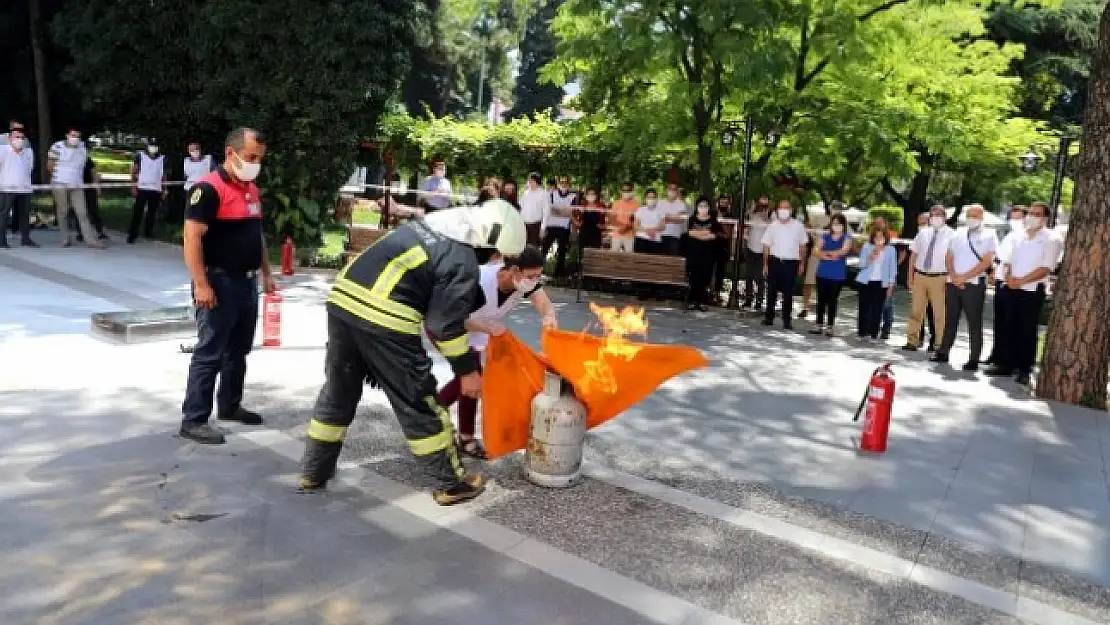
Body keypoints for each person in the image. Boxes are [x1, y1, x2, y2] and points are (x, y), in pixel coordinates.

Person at [299, 199, 527, 505]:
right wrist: (467, 371)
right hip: (385, 319)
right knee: (419, 402)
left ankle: (314, 470)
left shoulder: (432, 228)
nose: (496, 259)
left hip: (343, 304)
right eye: (498, 252)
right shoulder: (461, 258)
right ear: (488, 239)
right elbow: (444, 325)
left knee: (338, 392)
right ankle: (449, 484)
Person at [178, 128, 277, 445]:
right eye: (250, 157)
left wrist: (266, 272)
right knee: (210, 352)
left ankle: (230, 405)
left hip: (247, 284)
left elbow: (256, 234)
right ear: (230, 152)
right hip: (218, 282)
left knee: (238, 350)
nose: (255, 163)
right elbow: (191, 238)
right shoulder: (208, 189)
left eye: (259, 158)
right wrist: (201, 284)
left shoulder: (251, 188)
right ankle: (194, 419)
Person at [436, 246, 557, 458]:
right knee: (471, 378)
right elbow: (456, 318)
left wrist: (549, 317)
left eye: (538, 276)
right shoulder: (480, 280)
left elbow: (542, 302)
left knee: (471, 379)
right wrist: (488, 328)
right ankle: (429, 415)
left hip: (476, 332)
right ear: (514, 271)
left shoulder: (523, 283)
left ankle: (465, 438)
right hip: (446, 326)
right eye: (531, 276)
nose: (534, 281)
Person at [985, 201, 1062, 386]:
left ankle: (1024, 368)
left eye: (1037, 214)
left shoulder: (1052, 238)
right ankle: (1005, 363)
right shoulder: (1019, 236)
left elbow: (1045, 268)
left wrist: (1021, 281)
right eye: (1031, 213)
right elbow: (1008, 259)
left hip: (1031, 290)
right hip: (1011, 287)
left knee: (1026, 330)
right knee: (1007, 326)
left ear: (1045, 218)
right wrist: (1010, 278)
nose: (1032, 217)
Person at [932, 204, 997, 371]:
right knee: (950, 318)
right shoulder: (958, 233)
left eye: (975, 215)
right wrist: (954, 276)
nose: (971, 218)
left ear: (982, 217)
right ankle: (943, 351)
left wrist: (964, 277)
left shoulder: (989, 235)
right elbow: (949, 256)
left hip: (974, 284)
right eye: (969, 215)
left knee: (974, 322)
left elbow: (986, 261)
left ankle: (973, 358)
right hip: (953, 283)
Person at [903, 205, 953, 351]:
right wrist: (909, 277)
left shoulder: (952, 235)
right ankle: (912, 341)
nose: (935, 217)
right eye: (933, 215)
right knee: (916, 311)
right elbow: (913, 256)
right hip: (920, 276)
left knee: (939, 314)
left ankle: (938, 344)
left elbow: (952, 258)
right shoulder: (923, 233)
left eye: (939, 215)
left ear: (945, 217)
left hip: (940, 277)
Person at [985, 205, 1028, 365]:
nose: (1015, 221)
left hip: (1014, 283)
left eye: (1018, 218)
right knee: (999, 321)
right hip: (1001, 280)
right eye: (1012, 217)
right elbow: (1001, 258)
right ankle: (996, 354)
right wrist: (994, 273)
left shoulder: (1025, 237)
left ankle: (1007, 359)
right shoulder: (1010, 235)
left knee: (1011, 323)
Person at [48, 128, 103, 249]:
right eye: (72, 135)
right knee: (63, 211)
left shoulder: (82, 149)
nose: (75, 138)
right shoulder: (57, 146)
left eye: (77, 136)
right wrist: (57, 178)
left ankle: (90, 240)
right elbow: (50, 165)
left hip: (77, 185)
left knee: (82, 212)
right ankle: (64, 239)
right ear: (67, 135)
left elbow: (84, 166)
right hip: (60, 183)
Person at [761, 200, 808, 329]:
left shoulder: (798, 226)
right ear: (777, 210)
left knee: (788, 293)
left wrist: (802, 263)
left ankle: (787, 320)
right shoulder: (773, 226)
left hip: (791, 263)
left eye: (786, 207)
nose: (783, 210)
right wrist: (765, 263)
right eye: (781, 207)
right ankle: (768, 317)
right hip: (775, 261)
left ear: (791, 209)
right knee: (771, 291)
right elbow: (766, 245)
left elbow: (803, 246)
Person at [809, 213, 852, 336]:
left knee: (833, 301)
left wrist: (825, 253)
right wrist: (828, 254)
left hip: (837, 275)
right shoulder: (824, 236)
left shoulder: (846, 238)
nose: (836, 226)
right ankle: (818, 324)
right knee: (821, 300)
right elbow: (815, 251)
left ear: (843, 225)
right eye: (834, 223)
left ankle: (830, 326)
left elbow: (843, 251)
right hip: (822, 273)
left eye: (839, 223)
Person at [855, 222, 898, 340]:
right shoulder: (867, 247)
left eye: (881, 237)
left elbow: (893, 269)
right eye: (876, 237)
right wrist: (871, 257)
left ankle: (874, 334)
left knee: (877, 309)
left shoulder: (891, 250)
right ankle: (862, 332)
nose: (878, 239)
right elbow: (861, 265)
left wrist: (890, 286)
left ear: (885, 237)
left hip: (881, 283)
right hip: (865, 281)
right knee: (864, 307)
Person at [684, 196, 724, 311]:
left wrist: (700, 234)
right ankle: (692, 301)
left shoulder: (713, 220)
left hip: (708, 253)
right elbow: (691, 233)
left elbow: (713, 235)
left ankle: (702, 301)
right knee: (694, 276)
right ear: (697, 207)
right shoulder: (692, 219)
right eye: (700, 206)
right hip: (694, 252)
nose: (703, 208)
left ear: (708, 207)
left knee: (705, 276)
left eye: (705, 206)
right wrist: (704, 233)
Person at [0, 126, 36, 248]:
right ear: (10, 138)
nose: (19, 140)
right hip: (7, 188)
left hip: (24, 188)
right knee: (3, 215)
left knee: (24, 215)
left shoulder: (28, 152)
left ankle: (26, 239)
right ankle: (1, 240)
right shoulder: (2, 151)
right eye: (16, 137)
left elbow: (30, 168)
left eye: (21, 138)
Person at [128, 138, 167, 243]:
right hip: (142, 188)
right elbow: (134, 171)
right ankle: (132, 234)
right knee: (137, 212)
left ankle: (148, 233)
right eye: (151, 145)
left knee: (152, 213)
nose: (153, 147)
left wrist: (164, 190)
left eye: (155, 145)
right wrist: (133, 186)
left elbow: (163, 175)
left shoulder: (162, 158)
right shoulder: (140, 156)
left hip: (156, 189)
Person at [541, 175, 576, 277]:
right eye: (561, 182)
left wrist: (559, 211)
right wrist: (563, 211)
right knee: (544, 249)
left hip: (564, 227)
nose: (563, 184)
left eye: (566, 182)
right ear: (558, 183)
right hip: (551, 226)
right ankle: (538, 270)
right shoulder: (552, 194)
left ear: (569, 184)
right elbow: (550, 210)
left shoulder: (572, 197)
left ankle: (559, 274)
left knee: (562, 251)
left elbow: (570, 213)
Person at [744, 196, 771, 309]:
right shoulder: (751, 214)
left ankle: (759, 300)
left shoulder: (771, 215)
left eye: (765, 203)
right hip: (750, 248)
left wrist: (766, 217)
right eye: (760, 203)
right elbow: (746, 227)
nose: (762, 205)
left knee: (760, 276)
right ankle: (748, 299)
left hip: (763, 250)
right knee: (749, 275)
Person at [77, 155, 107, 242]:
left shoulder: (87, 159)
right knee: (80, 211)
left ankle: (100, 231)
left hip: (90, 188)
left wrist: (97, 187)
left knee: (94, 210)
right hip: (78, 188)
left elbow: (94, 172)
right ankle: (80, 233)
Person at [658, 183, 688, 256]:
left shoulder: (681, 204)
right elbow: (658, 218)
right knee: (660, 260)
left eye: (674, 189)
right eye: (670, 189)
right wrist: (675, 216)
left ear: (677, 191)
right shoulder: (659, 203)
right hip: (660, 236)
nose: (672, 191)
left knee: (673, 260)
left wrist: (666, 217)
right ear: (666, 190)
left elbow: (681, 219)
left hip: (674, 237)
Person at [519, 173, 549, 247]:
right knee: (523, 248)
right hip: (524, 225)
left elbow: (546, 211)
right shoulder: (525, 193)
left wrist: (543, 228)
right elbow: (520, 207)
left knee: (534, 249)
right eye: (529, 180)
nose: (530, 183)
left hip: (536, 226)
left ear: (537, 182)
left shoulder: (543, 193)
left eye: (532, 181)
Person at [608, 182, 638, 252]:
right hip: (616, 235)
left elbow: (635, 220)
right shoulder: (616, 203)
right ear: (621, 191)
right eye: (624, 190)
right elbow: (612, 219)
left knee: (629, 258)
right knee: (613, 257)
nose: (626, 192)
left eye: (628, 190)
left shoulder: (636, 205)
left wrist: (626, 228)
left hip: (630, 236)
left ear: (632, 191)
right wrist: (622, 226)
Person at [633, 188, 665, 254]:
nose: (651, 199)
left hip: (655, 241)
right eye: (649, 197)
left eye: (653, 197)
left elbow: (663, 226)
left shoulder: (661, 211)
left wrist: (653, 230)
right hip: (641, 240)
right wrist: (647, 231)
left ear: (656, 199)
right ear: (645, 198)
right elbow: (636, 226)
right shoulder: (640, 210)